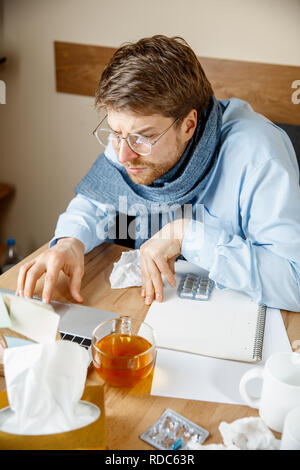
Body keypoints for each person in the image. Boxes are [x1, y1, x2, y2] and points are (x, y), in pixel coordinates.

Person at [16, 35, 300, 311]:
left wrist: (187, 234)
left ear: (189, 125)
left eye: (144, 137)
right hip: (152, 307)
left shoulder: (260, 157)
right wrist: (70, 242)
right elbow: (97, 200)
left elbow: (295, 282)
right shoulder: (127, 140)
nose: (124, 155)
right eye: (115, 133)